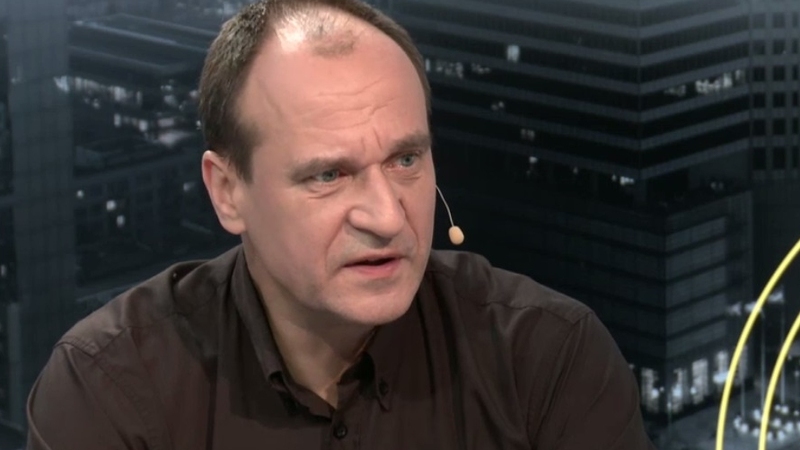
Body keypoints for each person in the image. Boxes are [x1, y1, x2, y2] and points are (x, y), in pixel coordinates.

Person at [26, 0, 656, 448]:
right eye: (328, 174)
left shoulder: (548, 359)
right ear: (228, 192)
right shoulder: (110, 388)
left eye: (405, 160)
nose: (388, 216)